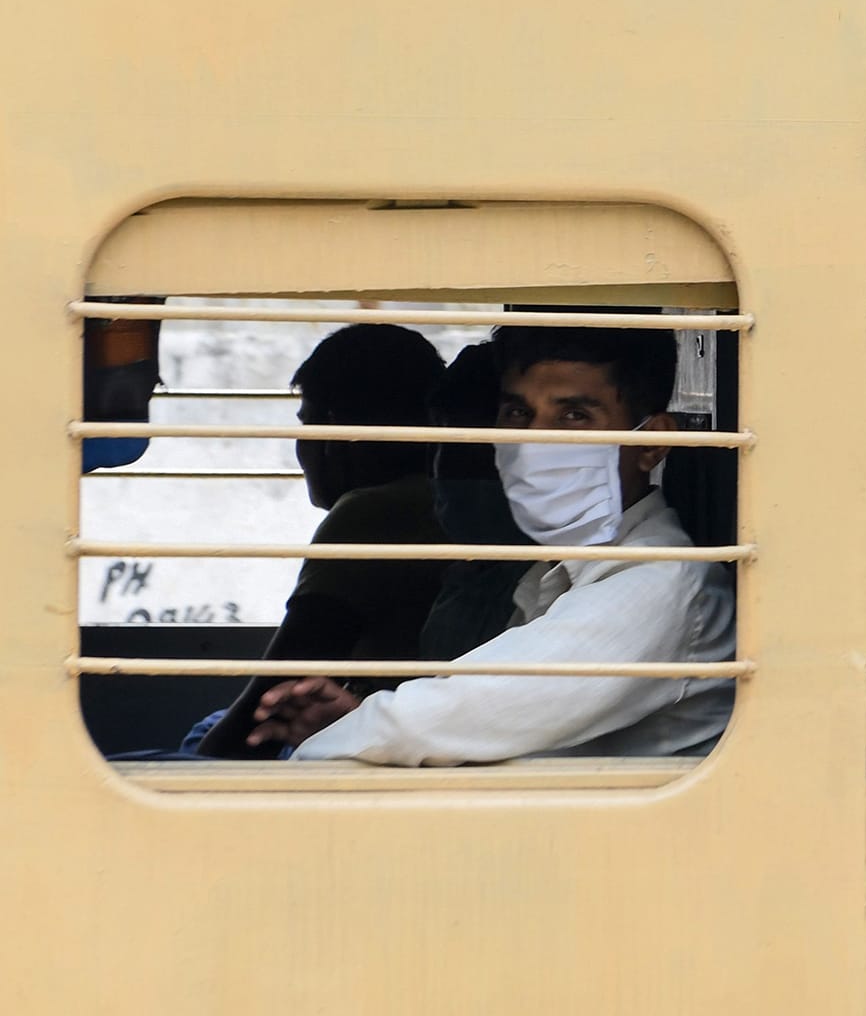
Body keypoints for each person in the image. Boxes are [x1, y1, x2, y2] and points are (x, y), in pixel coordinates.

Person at [245, 324, 736, 763]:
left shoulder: (660, 587)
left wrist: (354, 737)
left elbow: (434, 723)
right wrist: (355, 719)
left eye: (573, 416)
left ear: (650, 443)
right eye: (518, 412)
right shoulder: (555, 572)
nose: (534, 440)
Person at [190, 325, 453, 758]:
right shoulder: (437, 501)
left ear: (337, 431)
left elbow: (261, 715)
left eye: (307, 424)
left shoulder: (373, 515)